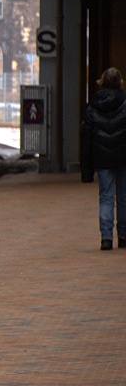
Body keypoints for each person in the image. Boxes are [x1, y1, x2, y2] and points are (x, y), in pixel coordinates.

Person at [80, 66, 126, 250]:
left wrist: (86, 170)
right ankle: (123, 236)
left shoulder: (93, 107)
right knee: (123, 197)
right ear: (120, 82)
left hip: (102, 158)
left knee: (106, 197)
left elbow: (86, 138)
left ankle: (106, 238)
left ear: (102, 82)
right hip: (123, 157)